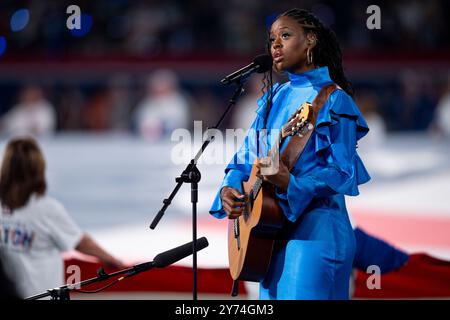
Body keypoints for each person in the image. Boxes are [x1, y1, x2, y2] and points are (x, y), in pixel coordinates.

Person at [210, 8, 370, 299]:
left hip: (314, 235)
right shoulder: (275, 96)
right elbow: (247, 156)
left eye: (285, 36)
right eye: (272, 39)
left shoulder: (335, 100)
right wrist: (230, 187)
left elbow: (342, 172)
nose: (276, 46)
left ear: (310, 40)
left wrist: (291, 183)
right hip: (267, 233)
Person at [0, 137, 125, 299]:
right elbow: (80, 241)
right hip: (41, 295)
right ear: (38, 169)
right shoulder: (45, 208)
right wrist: (111, 259)